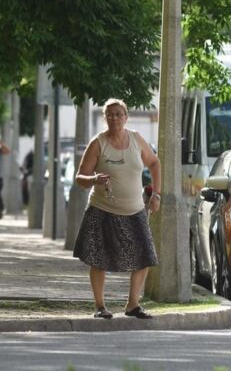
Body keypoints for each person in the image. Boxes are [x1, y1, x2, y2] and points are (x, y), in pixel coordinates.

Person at [73, 98, 161, 320]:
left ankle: (133, 304)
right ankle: (100, 306)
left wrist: (156, 194)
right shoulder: (98, 143)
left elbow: (154, 163)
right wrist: (94, 179)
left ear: (126, 117)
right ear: (105, 117)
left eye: (118, 114)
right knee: (98, 258)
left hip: (135, 209)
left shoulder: (136, 139)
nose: (114, 118)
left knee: (145, 256)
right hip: (102, 208)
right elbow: (79, 178)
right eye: (110, 114)